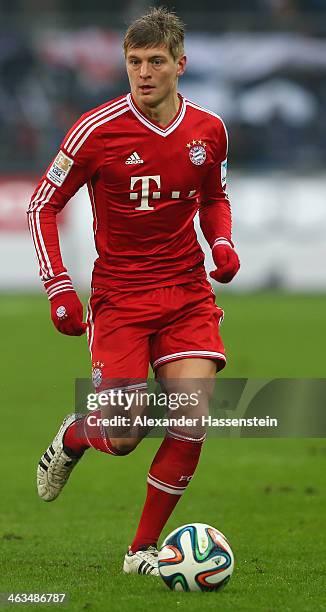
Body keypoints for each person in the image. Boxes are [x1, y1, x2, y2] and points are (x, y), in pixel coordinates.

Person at [27, 6, 240, 576]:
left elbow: (215, 197)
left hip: (187, 292)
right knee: (122, 435)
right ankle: (77, 432)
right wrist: (59, 286)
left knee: (190, 415)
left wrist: (220, 243)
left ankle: (140, 551)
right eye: (134, 62)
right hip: (121, 298)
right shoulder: (97, 130)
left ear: (180, 64)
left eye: (155, 61)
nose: (143, 73)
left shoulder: (208, 130)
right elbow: (42, 204)